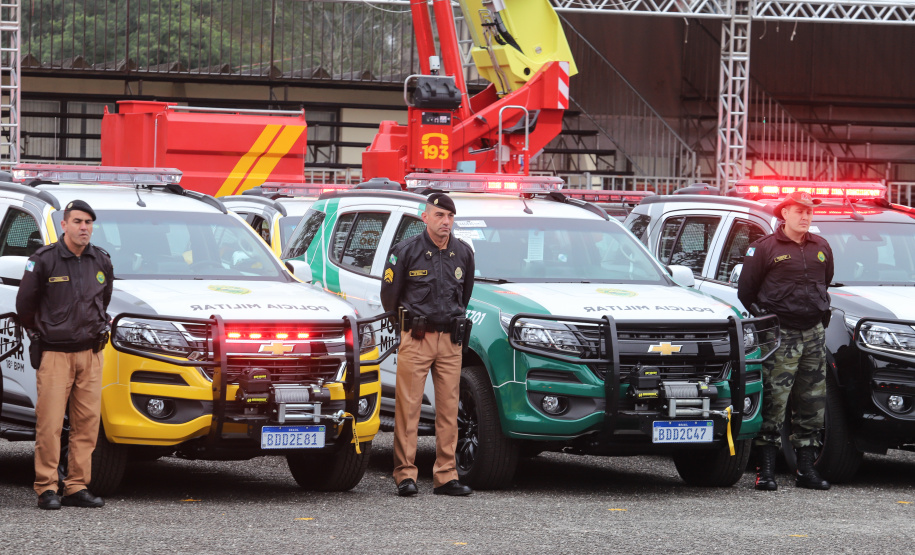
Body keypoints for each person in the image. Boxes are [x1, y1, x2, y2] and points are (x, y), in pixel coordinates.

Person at [17, 200, 114, 510]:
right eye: (78, 221)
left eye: (88, 222)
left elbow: (104, 298)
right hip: (56, 354)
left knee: (87, 424)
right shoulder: (44, 260)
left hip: (91, 353)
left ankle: (76, 486)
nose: (84, 227)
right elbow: (25, 307)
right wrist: (40, 334)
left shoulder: (100, 260)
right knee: (50, 423)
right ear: (64, 225)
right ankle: (47, 487)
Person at [737, 191, 833, 491]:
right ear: (785, 213)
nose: (806, 216)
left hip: (813, 333)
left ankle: (806, 469)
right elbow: (746, 293)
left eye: (809, 212)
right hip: (781, 335)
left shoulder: (822, 247)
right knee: (774, 400)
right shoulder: (764, 248)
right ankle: (764, 470)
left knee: (812, 401)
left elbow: (825, 281)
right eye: (800, 211)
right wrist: (768, 322)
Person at [381, 192, 475, 497]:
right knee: (409, 409)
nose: (446, 222)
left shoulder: (463, 252)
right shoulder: (405, 250)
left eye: (450, 217)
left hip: (450, 341)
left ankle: (446, 476)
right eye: (439, 215)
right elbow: (389, 298)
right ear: (425, 217)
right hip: (417, 339)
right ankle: (405, 475)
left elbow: (465, 294)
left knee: (449, 410)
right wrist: (408, 330)